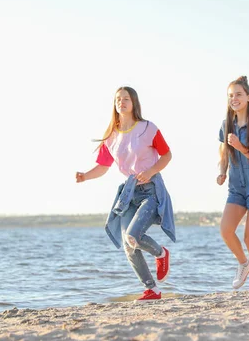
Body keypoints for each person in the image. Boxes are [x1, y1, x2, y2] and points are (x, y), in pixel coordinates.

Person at [75, 86, 175, 302]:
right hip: (129, 193)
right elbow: (102, 167)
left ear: (134, 103)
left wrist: (150, 172)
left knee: (133, 235)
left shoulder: (148, 128)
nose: (121, 102)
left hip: (151, 189)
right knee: (129, 243)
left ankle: (160, 253)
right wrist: (84, 176)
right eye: (118, 99)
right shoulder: (112, 136)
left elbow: (167, 155)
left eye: (126, 98)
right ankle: (151, 290)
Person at [217, 76, 249, 297]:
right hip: (236, 188)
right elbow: (223, 153)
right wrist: (221, 171)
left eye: (238, 94)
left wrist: (242, 147)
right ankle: (243, 263)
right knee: (226, 231)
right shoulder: (226, 125)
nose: (234, 99)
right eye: (230, 96)